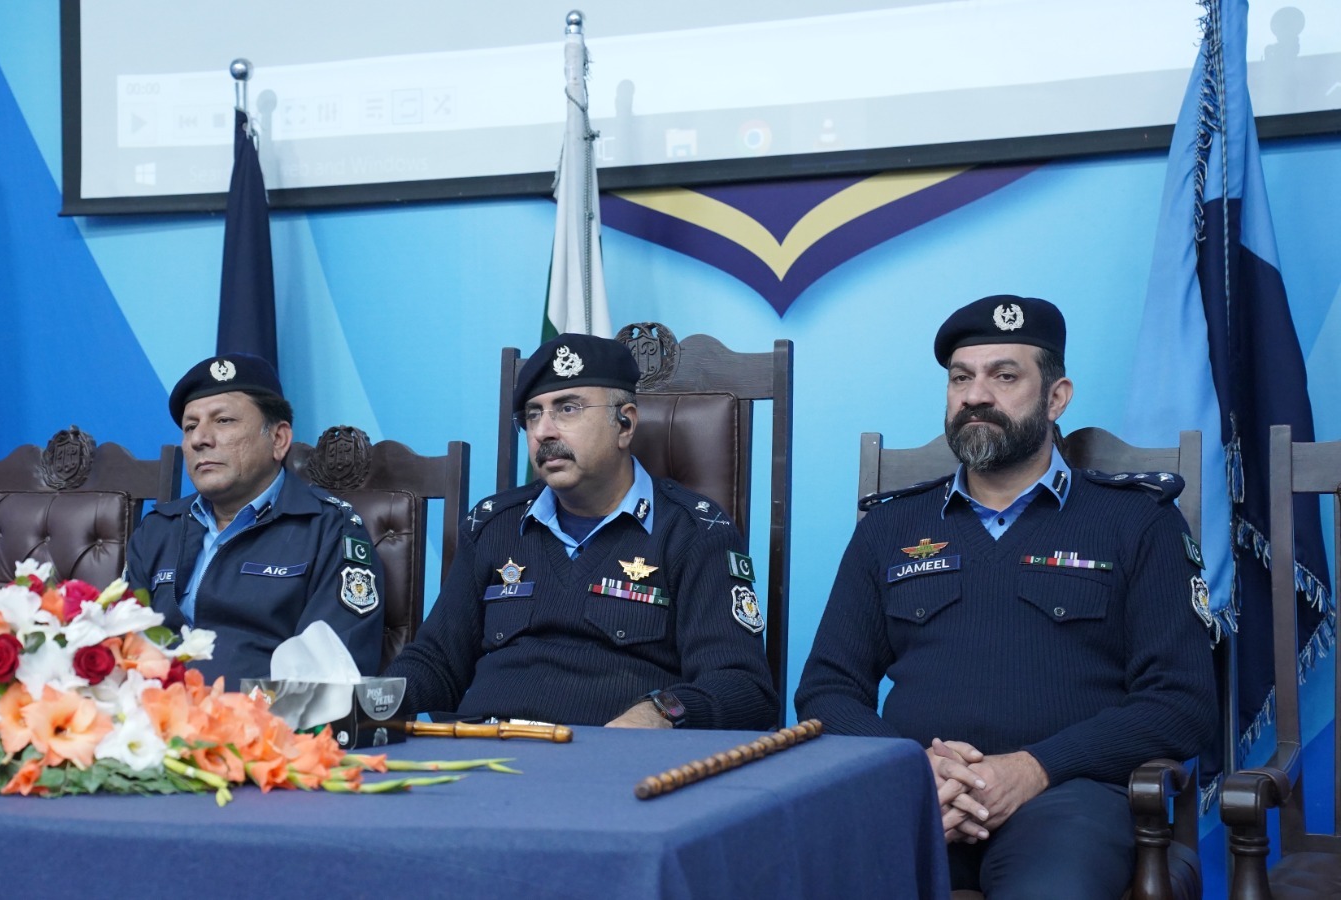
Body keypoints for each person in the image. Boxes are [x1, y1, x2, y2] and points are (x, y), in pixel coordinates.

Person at [795, 295, 1215, 899]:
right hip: (917, 795)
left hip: (1068, 799)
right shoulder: (890, 526)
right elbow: (826, 688)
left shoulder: (1137, 522)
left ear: (1057, 397)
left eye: (1005, 376)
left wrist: (1033, 768)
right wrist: (911, 768)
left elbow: (1181, 702)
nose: (975, 395)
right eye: (960, 378)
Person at [385, 333, 778, 729]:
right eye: (533, 415)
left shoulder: (694, 532)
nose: (543, 431)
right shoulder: (493, 525)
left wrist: (661, 713)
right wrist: (370, 701)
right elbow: (435, 662)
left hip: (608, 756)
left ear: (625, 424)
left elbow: (744, 688)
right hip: (486, 746)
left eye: (567, 409)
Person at [126, 353, 383, 684]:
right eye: (190, 426)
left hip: (259, 715)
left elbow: (330, 674)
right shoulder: (158, 530)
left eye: (223, 421)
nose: (199, 439)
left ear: (278, 439)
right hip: (151, 712)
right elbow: (120, 648)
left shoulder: (329, 529)